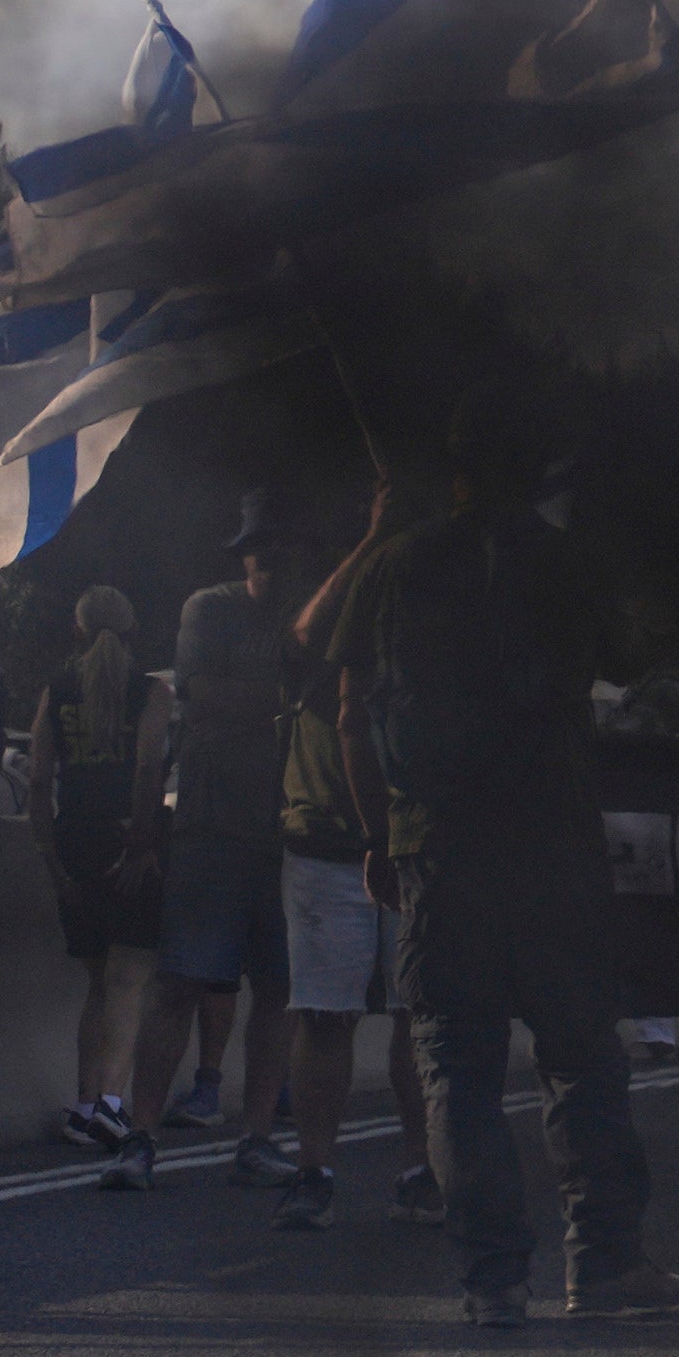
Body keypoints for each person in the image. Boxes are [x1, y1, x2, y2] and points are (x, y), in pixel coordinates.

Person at [320, 392, 679, 1329]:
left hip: (439, 850)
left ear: (453, 474)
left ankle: (493, 1282)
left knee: (457, 1069)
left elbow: (350, 711)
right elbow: (642, 656)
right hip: (554, 851)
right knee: (581, 1061)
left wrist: (378, 837)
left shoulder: (396, 566)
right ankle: (603, 1265)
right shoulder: (567, 564)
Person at [98, 497, 293, 1192]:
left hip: (290, 829)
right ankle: (139, 1137)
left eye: (279, 546)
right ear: (241, 554)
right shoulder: (210, 609)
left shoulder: (316, 617)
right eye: (257, 547)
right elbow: (207, 696)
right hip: (211, 825)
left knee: (278, 990)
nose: (268, 557)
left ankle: (258, 1135)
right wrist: (300, 696)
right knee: (179, 981)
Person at [269, 508, 428, 1235]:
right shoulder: (325, 631)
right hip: (328, 842)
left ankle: (423, 1166)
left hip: (411, 838)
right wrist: (374, 535)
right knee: (326, 1012)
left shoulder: (427, 621)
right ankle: (314, 1168)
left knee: (417, 1015)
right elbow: (305, 638)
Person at [31, 586, 164, 1148]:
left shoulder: (56, 691)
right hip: (122, 837)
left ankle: (84, 1105)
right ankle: (112, 1102)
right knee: (130, 978)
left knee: (96, 984)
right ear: (132, 630)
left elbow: (38, 783)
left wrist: (53, 863)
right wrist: (140, 843)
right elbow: (148, 770)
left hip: (75, 840)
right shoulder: (148, 692)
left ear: (77, 630)